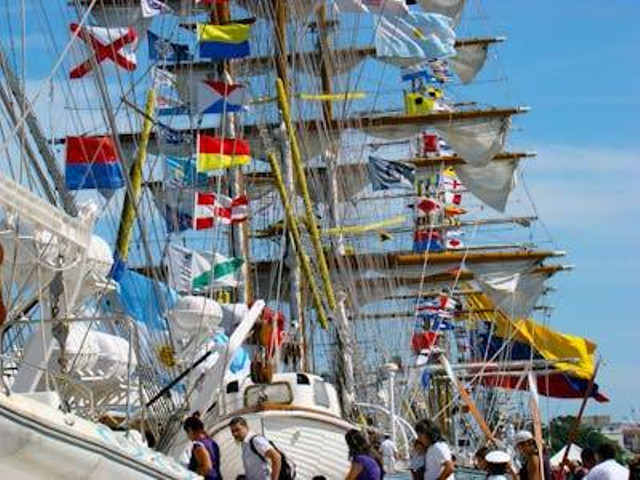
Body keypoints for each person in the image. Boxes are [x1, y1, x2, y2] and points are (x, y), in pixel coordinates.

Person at [183, 412, 222, 480]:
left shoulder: (198, 446)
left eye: (187, 433)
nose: (188, 436)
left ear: (190, 430)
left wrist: (191, 471)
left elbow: (207, 468)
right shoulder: (211, 442)